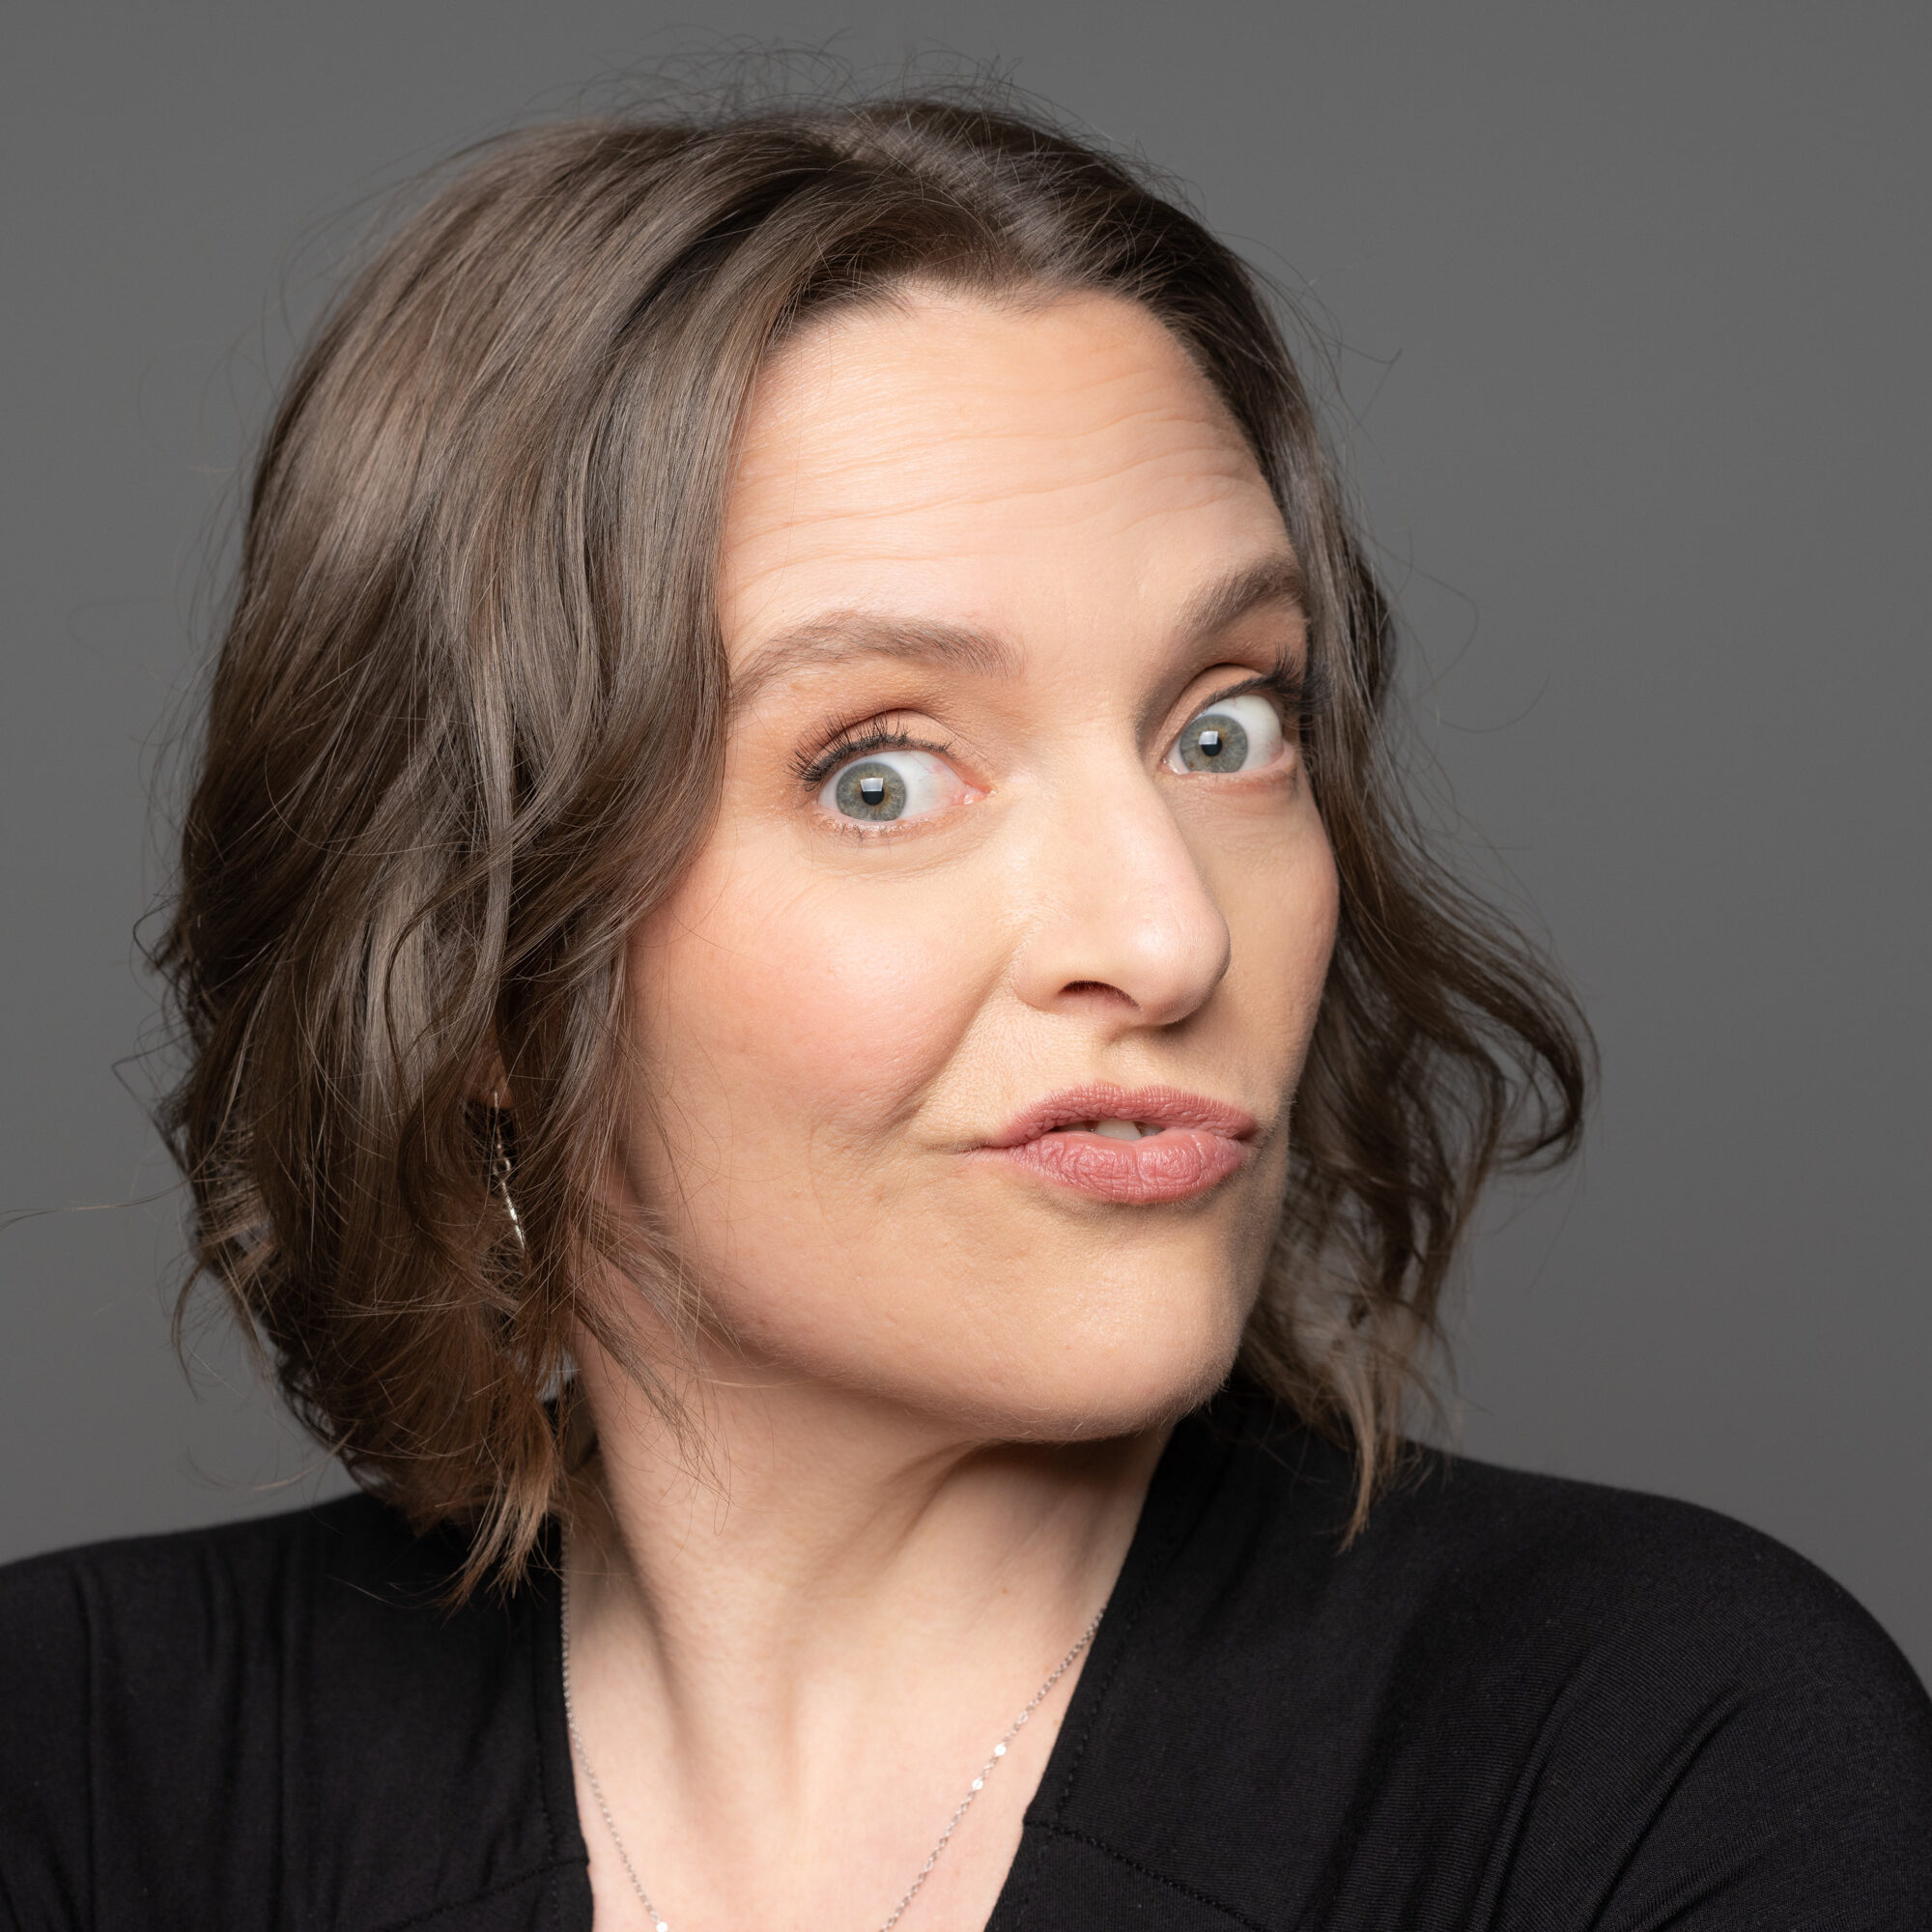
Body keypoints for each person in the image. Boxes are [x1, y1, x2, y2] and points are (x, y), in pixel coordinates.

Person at [2, 91, 1928, 1932]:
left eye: (1226, 727)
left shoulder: (1665, 1758)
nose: (1169, 936)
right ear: (474, 959)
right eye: (880, 774)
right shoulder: (77, 1778)